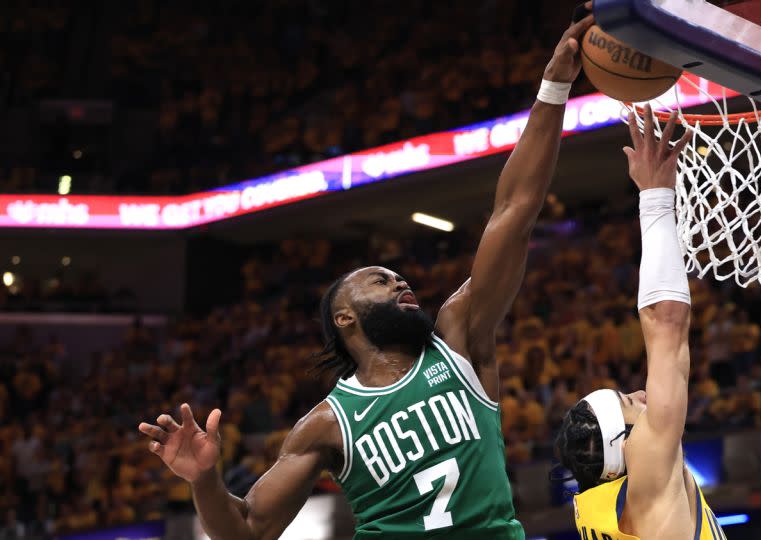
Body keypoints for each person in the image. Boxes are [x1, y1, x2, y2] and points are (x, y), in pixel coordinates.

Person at [137, 7, 597, 539]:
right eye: (380, 279)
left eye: (398, 276)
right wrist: (203, 479)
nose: (402, 282)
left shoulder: (459, 337)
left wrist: (554, 88)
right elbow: (247, 531)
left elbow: (514, 211)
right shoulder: (326, 424)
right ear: (345, 317)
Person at [555, 105, 728, 539]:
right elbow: (666, 324)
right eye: (630, 403)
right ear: (625, 442)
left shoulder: (599, 511)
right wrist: (655, 197)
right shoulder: (648, 468)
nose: (640, 392)